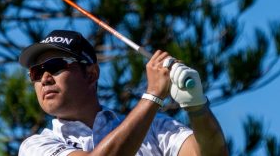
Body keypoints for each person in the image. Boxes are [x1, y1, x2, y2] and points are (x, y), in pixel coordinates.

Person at [18, 30, 228, 156]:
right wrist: (153, 95)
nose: (44, 78)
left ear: (91, 74)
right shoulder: (35, 147)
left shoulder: (155, 127)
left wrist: (196, 105)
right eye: (36, 72)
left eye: (55, 66)